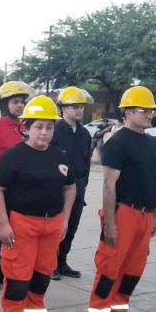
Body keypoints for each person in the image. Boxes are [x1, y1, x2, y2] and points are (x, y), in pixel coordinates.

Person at [0, 96, 76, 312]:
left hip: (52, 225)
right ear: (26, 127)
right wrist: (3, 225)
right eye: (39, 127)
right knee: (17, 281)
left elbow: (70, 188)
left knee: (41, 279)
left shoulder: (59, 155)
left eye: (49, 127)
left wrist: (66, 219)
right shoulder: (14, 156)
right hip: (22, 225)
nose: (44, 133)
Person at [88, 86, 156, 312]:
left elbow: (153, 180)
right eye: (144, 110)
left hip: (145, 214)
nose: (149, 115)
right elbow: (109, 185)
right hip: (123, 213)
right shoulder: (118, 142)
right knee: (110, 267)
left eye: (151, 110)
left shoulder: (151, 143)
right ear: (128, 112)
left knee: (133, 268)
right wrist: (110, 222)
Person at [0, 81, 32, 290]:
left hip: (17, 191)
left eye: (22, 102)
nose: (20, 106)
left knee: (12, 231)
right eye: (15, 102)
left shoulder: (25, 128)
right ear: (3, 105)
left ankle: (5, 269)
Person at [49, 87, 95, 280]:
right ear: (63, 108)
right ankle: (50, 264)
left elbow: (86, 160)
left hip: (78, 185)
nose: (79, 110)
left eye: (81, 107)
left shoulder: (85, 133)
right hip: (57, 186)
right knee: (56, 226)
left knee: (72, 225)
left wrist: (83, 183)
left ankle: (62, 260)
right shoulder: (55, 131)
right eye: (74, 106)